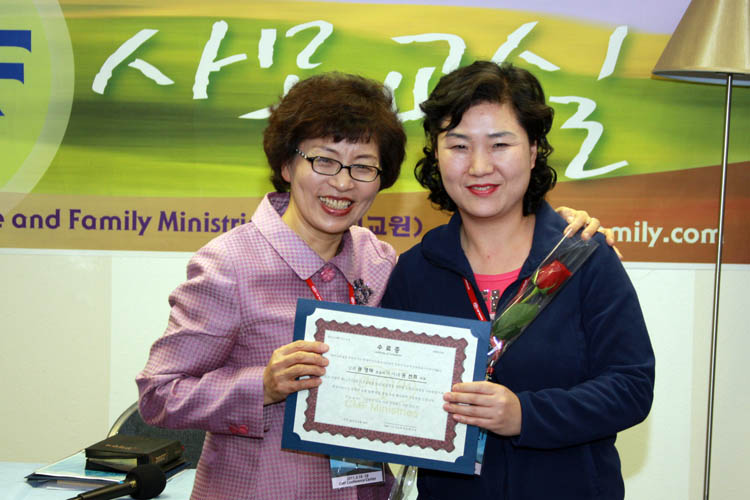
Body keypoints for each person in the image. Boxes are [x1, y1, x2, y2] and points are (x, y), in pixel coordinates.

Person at [136, 71, 609, 500]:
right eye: (324, 161)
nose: (342, 184)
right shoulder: (229, 265)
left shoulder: (380, 261)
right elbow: (159, 395)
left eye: (363, 167)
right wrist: (261, 385)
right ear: (286, 165)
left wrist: (561, 233)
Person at [380, 61, 655, 500]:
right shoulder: (416, 271)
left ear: (532, 151)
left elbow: (631, 387)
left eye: (500, 144)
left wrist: (525, 415)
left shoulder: (581, 257)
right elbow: (390, 393)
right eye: (459, 145)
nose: (479, 166)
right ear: (436, 154)